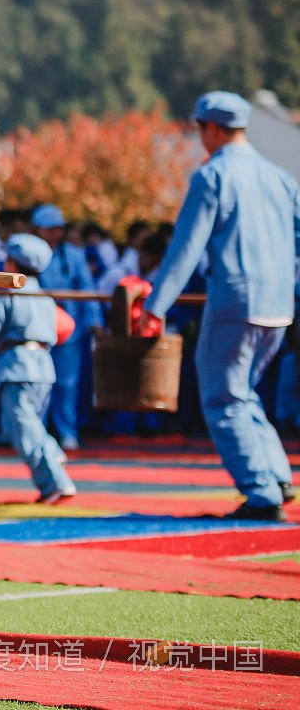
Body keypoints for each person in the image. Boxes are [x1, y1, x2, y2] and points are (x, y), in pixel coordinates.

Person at [139, 91, 300, 521]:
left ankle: (261, 490)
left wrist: (156, 305)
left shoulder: (213, 176)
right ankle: (278, 476)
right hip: (279, 303)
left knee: (222, 396)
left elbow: (186, 247)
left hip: (235, 299)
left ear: (210, 127)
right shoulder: (280, 177)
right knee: (244, 393)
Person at [0, 233, 77, 504]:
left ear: (13, 264)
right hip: (43, 366)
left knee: (24, 429)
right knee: (23, 424)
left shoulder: (9, 292)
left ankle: (55, 483)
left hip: (17, 365)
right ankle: (52, 452)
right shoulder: (44, 296)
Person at [32, 203, 103, 451]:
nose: (54, 234)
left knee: (67, 383)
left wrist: (94, 321)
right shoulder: (29, 254)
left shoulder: (74, 255)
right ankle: (36, 432)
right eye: (48, 229)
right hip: (37, 328)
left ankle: (66, 431)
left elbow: (87, 287)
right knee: (37, 382)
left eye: (57, 229)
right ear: (38, 230)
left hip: (69, 329)